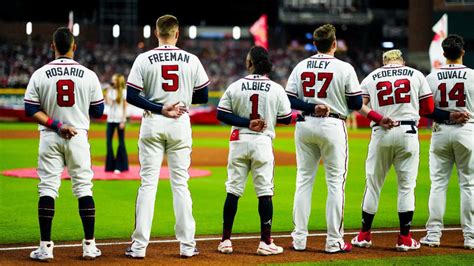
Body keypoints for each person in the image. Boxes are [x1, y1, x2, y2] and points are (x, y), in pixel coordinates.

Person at [286, 24, 393, 254]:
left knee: (304, 181)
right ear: (334, 43)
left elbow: (289, 99)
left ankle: (299, 239)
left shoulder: (301, 65)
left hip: (305, 125)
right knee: (335, 184)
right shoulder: (344, 68)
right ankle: (333, 240)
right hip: (333, 125)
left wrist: (311, 107)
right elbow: (356, 104)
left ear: (315, 44)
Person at [125, 14, 209, 258]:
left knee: (148, 184)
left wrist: (159, 107)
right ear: (177, 33)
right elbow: (203, 96)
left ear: (156, 32)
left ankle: (139, 246)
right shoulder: (191, 59)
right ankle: (187, 245)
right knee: (180, 185)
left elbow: (131, 95)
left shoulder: (144, 58)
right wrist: (181, 100)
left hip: (153, 121)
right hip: (179, 122)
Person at [24, 27, 104, 261]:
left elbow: (30, 109)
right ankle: (89, 246)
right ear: (74, 47)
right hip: (78, 136)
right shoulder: (89, 75)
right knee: (84, 188)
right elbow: (98, 111)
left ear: (52, 46)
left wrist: (57, 124)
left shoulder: (40, 73)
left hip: (50, 135)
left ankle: (46, 247)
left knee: (48, 187)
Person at [350, 49, 435, 251]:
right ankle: (404, 238)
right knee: (406, 187)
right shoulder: (416, 74)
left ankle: (364, 235)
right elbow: (429, 108)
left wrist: (377, 117)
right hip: (408, 132)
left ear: (384, 62)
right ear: (402, 61)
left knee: (373, 185)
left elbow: (357, 104)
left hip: (381, 131)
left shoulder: (372, 76)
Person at [216, 46, 292, 256]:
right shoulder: (276, 88)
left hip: (238, 140)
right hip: (262, 143)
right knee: (265, 192)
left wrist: (246, 122)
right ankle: (265, 242)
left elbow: (221, 114)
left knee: (233, 190)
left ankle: (225, 241)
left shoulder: (236, 85)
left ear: (251, 63)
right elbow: (286, 118)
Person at [419, 34, 473, 249]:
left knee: (438, 185)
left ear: (443, 53)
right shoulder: (472, 75)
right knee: (468, 185)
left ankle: (433, 234)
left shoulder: (431, 78)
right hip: (467, 131)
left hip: (441, 132)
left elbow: (426, 111)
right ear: (462, 52)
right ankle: (470, 237)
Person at [104, 73, 129, 173]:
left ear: (118, 81)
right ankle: (110, 166)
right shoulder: (111, 91)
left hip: (119, 119)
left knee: (121, 143)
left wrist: (123, 120)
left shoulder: (124, 92)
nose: (112, 81)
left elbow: (125, 107)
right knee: (108, 142)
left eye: (114, 79)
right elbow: (108, 103)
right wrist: (108, 91)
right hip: (110, 119)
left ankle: (120, 166)